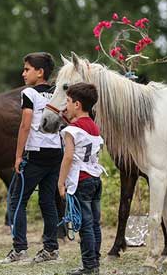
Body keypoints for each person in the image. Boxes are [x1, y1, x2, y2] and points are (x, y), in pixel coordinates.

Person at [0, 52, 62, 264]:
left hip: (36, 153)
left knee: (16, 200)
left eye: (27, 69)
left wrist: (17, 156)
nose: (23, 73)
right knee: (48, 202)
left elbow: (25, 125)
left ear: (40, 72)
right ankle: (51, 249)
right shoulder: (56, 94)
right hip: (56, 154)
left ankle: (19, 249)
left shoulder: (29, 94)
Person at [58, 83, 104, 275]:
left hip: (81, 180)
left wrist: (61, 182)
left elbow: (68, 157)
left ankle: (89, 265)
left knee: (85, 224)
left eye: (68, 102)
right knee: (94, 222)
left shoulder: (72, 130)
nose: (65, 106)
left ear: (77, 104)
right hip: (95, 179)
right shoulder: (94, 127)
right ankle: (95, 260)